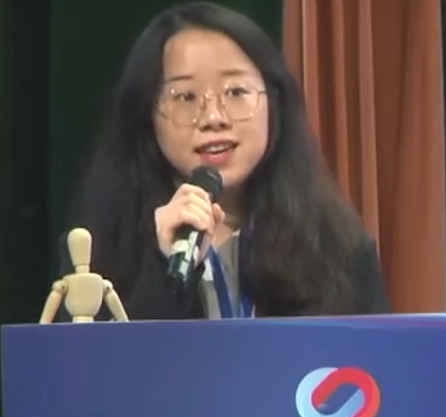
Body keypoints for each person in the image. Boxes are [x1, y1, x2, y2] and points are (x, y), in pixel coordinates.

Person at [58, 1, 389, 320]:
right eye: (185, 97)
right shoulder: (93, 255)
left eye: (236, 92)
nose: (213, 118)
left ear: (274, 102)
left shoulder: (342, 254)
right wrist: (160, 268)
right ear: (147, 115)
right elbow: (92, 359)